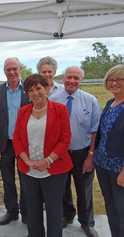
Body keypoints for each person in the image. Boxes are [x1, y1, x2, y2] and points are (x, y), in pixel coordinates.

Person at [13, 74, 73, 237]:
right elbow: (17, 138)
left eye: (38, 88)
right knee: (33, 210)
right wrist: (27, 160)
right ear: (27, 94)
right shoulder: (23, 111)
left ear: (46, 89)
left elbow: (65, 139)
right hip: (29, 170)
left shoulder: (60, 110)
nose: (35, 93)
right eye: (30, 90)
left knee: (54, 211)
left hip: (54, 170)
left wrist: (48, 160)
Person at [51, 66, 100, 237]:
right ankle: (67, 215)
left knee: (84, 189)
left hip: (82, 152)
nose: (72, 81)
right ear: (63, 78)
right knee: (62, 187)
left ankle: (87, 222)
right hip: (60, 153)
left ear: (81, 80)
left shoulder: (90, 100)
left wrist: (91, 155)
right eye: (69, 77)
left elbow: (95, 131)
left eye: (76, 78)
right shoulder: (53, 99)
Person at [0, 57, 28, 225]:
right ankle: (11, 211)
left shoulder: (29, 90)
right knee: (7, 180)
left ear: (20, 69)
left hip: (25, 145)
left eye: (15, 68)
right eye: (8, 69)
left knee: (26, 180)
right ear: (4, 71)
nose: (12, 72)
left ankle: (27, 212)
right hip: (5, 144)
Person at [94, 64, 124, 237]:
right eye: (110, 80)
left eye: (119, 79)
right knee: (110, 206)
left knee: (121, 209)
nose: (114, 83)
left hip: (119, 168)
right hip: (102, 165)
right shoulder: (109, 103)